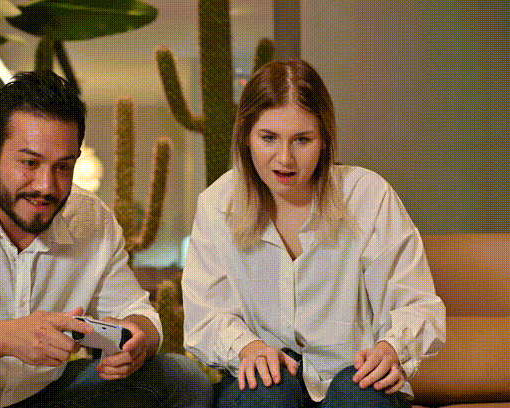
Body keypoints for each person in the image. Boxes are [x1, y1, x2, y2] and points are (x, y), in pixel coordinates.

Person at [0, 71, 212, 408]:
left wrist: (136, 340)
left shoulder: (93, 220)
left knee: (181, 378)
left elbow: (140, 317)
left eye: (63, 167)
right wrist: (8, 336)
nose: (46, 186)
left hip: (51, 393)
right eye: (30, 163)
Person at [182, 60, 446, 408]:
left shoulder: (369, 195)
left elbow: (418, 305)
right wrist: (248, 347)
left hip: (353, 376)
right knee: (266, 393)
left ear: (324, 141)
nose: (285, 159)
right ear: (246, 137)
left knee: (359, 395)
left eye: (302, 140)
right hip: (264, 384)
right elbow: (204, 317)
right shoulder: (217, 204)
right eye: (269, 138)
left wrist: (390, 350)